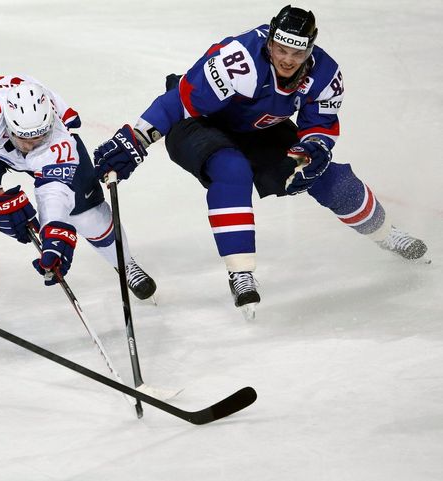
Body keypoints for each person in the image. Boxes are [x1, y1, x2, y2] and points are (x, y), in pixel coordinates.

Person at [93, 5, 428, 319]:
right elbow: (175, 104)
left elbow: (320, 125)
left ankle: (386, 234)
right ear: (270, 40)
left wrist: (314, 151)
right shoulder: (239, 61)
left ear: (310, 50)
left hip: (259, 127)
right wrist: (134, 139)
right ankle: (241, 274)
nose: (287, 59)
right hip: (198, 124)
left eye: (297, 53)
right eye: (280, 49)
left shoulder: (325, 76)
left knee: (326, 177)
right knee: (231, 169)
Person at [0, 74, 157, 359]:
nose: (33, 144)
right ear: (9, 124)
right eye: (26, 137)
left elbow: (54, 192)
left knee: (86, 215)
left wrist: (54, 235)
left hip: (38, 146)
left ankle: (126, 263)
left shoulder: (59, 135)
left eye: (40, 136)